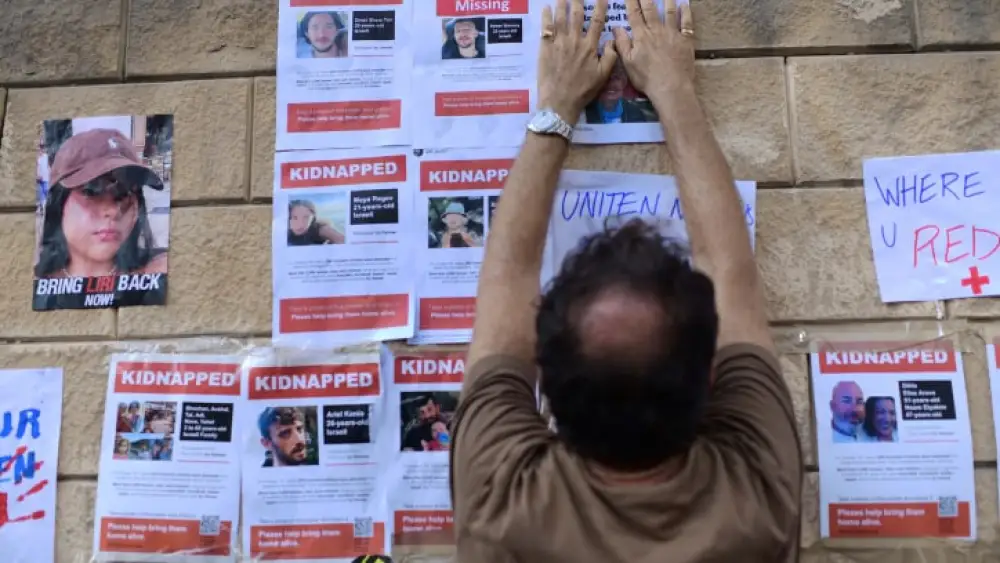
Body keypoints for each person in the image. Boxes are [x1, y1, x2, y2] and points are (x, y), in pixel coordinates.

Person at [449, 1, 802, 561]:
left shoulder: (503, 502)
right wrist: (676, 93)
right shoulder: (757, 497)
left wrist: (556, 105)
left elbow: (507, 281)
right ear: (711, 371)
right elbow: (729, 273)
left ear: (546, 380)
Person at [34, 128, 167, 286]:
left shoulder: (157, 276)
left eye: (123, 194)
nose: (113, 211)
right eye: (91, 192)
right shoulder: (32, 285)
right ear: (59, 204)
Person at [584, 61, 657, 124]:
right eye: (606, 79)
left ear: (623, 82)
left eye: (616, 78)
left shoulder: (635, 112)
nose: (610, 84)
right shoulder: (585, 112)